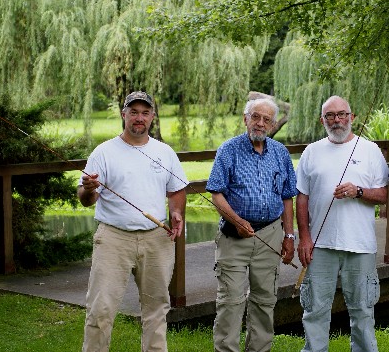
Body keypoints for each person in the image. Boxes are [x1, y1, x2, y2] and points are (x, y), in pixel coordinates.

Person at [78, 91, 187, 352]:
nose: (139, 118)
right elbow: (85, 199)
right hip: (113, 239)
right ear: (123, 115)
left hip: (157, 238)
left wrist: (176, 212)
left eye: (145, 112)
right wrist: (89, 187)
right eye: (134, 112)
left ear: (152, 117)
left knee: (156, 309)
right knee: (100, 309)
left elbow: (176, 190)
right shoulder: (103, 152)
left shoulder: (165, 152)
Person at [296, 95, 389, 352]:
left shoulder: (370, 150)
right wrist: (304, 237)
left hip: (360, 245)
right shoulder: (311, 152)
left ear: (352, 117)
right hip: (320, 245)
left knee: (362, 310)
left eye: (341, 114)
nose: (336, 120)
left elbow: (385, 195)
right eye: (330, 115)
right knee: (315, 309)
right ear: (322, 120)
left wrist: (358, 191)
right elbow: (301, 198)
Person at [206, 98, 298, 352]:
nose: (260, 123)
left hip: (270, 232)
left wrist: (289, 236)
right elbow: (216, 193)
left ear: (272, 123)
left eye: (266, 119)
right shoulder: (229, 150)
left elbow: (287, 196)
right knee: (231, 300)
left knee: (264, 300)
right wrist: (236, 221)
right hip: (234, 236)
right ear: (245, 118)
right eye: (255, 117)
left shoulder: (280, 153)